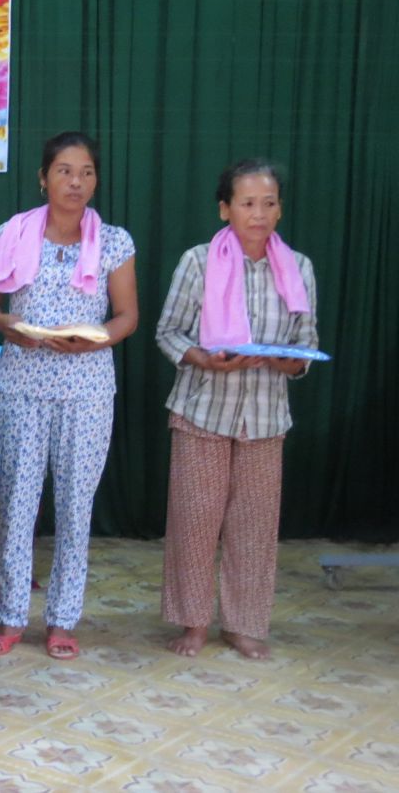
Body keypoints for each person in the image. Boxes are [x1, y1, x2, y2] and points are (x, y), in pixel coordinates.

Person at [0, 132, 138, 660]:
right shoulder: (12, 232)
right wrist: (9, 325)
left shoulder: (114, 241)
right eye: (64, 171)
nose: (75, 182)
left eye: (86, 172)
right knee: (17, 503)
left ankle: (63, 619)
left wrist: (96, 339)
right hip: (22, 383)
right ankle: (10, 616)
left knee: (74, 507)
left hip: (87, 390)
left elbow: (127, 315)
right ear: (43, 178)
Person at [156, 160, 318, 661]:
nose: (259, 214)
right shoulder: (198, 261)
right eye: (248, 203)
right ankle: (193, 623)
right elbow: (168, 333)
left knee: (254, 528)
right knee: (195, 523)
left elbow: (307, 344)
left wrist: (291, 361)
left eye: (269, 203)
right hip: (203, 410)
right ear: (225, 209)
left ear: (280, 210)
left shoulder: (299, 267)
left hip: (266, 418)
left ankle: (244, 625)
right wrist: (202, 358)